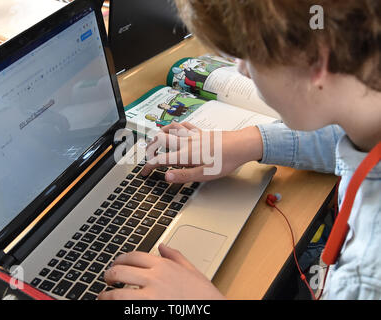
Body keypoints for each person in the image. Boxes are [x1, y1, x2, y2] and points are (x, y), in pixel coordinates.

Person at [99, 0, 381, 300]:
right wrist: (249, 142)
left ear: (315, 62)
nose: (242, 70)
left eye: (246, 56)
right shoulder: (367, 115)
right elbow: (343, 126)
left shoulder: (366, 276)